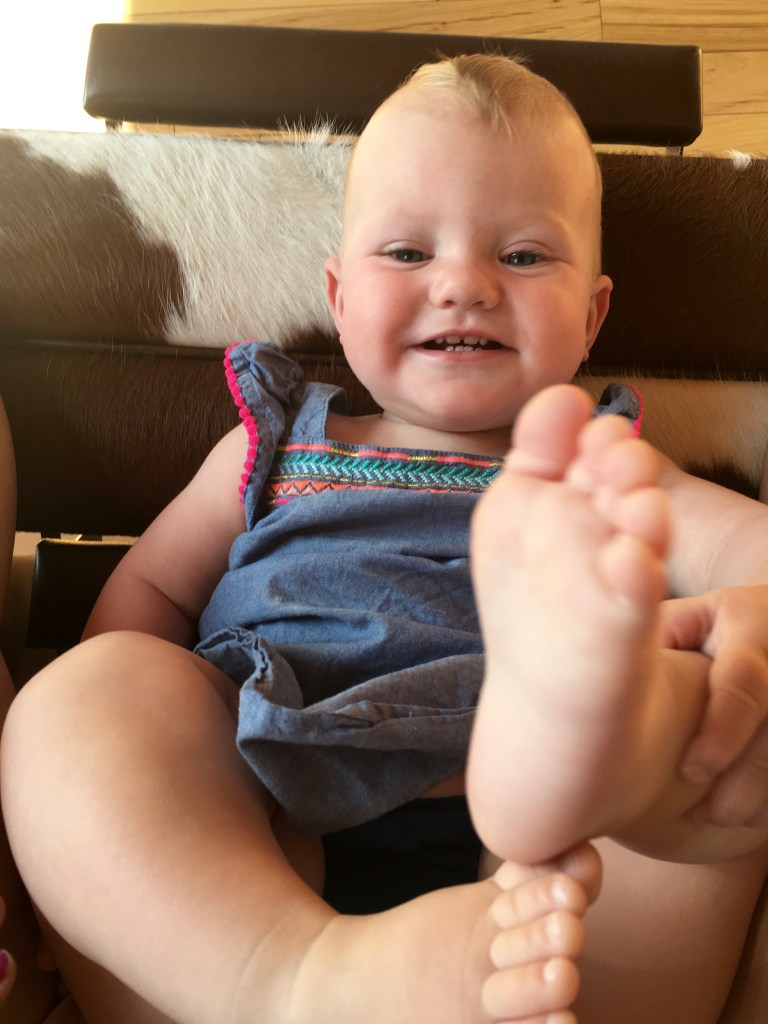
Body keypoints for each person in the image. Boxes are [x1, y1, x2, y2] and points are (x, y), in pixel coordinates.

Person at [2, 52, 768, 1024]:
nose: (464, 285)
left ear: (591, 315)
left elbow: (747, 548)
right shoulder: (273, 445)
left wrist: (747, 619)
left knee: (709, 740)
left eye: (523, 256)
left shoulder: (602, 468)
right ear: (339, 298)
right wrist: (125, 747)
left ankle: (561, 792)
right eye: (408, 253)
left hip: (548, 859)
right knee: (81, 705)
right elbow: (149, 593)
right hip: (252, 819)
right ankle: (295, 978)